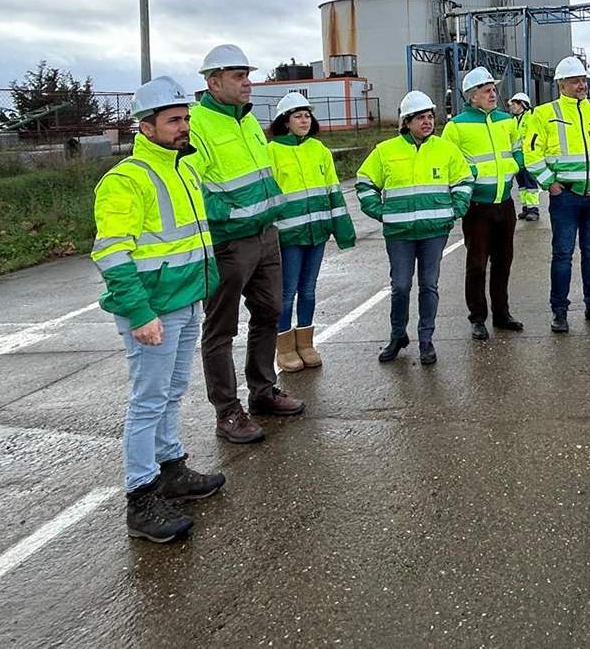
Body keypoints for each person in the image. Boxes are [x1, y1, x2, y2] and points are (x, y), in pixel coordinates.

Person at [92, 76, 225, 543]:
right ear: (145, 128)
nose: (183, 127)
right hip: (152, 310)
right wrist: (140, 313)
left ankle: (172, 469)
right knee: (147, 401)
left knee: (172, 392)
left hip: (187, 300)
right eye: (174, 120)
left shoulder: (184, 169)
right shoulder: (126, 180)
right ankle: (141, 495)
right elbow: (111, 253)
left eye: (186, 118)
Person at [188, 44, 303, 445]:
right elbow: (194, 186)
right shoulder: (198, 124)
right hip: (229, 242)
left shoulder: (249, 121)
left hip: (265, 235)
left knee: (270, 310)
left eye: (248, 75)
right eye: (239, 76)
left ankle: (263, 391)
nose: (247, 82)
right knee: (220, 327)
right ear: (213, 81)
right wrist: (233, 216)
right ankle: (227, 411)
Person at [355, 90, 474, 366]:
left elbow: (464, 180)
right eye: (420, 117)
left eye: (430, 116)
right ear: (406, 121)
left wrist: (455, 210)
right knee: (400, 286)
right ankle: (398, 336)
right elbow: (364, 182)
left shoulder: (445, 149)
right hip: (400, 234)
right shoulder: (385, 151)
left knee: (429, 286)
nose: (427, 122)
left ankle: (426, 340)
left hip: (434, 232)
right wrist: (380, 212)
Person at [524, 55, 590, 332]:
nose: (581, 85)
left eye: (583, 79)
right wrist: (550, 184)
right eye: (574, 81)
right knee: (562, 254)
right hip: (565, 196)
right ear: (561, 84)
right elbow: (532, 153)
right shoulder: (544, 114)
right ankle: (560, 311)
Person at [267, 91, 357, 372]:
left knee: (308, 289)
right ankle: (284, 348)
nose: (304, 120)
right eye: (298, 116)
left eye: (307, 115)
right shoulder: (271, 152)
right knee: (287, 292)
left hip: (317, 233)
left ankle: (306, 343)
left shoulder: (319, 151)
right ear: (285, 121)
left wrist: (342, 231)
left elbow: (333, 191)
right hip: (289, 236)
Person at [442, 68, 524, 340]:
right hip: (477, 207)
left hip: (505, 203)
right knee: (477, 264)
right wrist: (471, 178)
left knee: (504, 262)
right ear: (472, 95)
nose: (493, 94)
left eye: (493, 89)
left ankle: (502, 314)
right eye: (487, 90)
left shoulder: (506, 120)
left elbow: (517, 148)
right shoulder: (457, 126)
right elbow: (449, 163)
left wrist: (517, 165)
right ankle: (477, 318)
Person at [507, 91, 541, 221]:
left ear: (523, 104)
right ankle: (526, 208)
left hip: (528, 157)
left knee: (530, 184)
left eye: (514, 104)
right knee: (521, 185)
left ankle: (534, 210)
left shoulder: (530, 118)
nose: (512, 107)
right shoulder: (513, 120)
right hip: (517, 157)